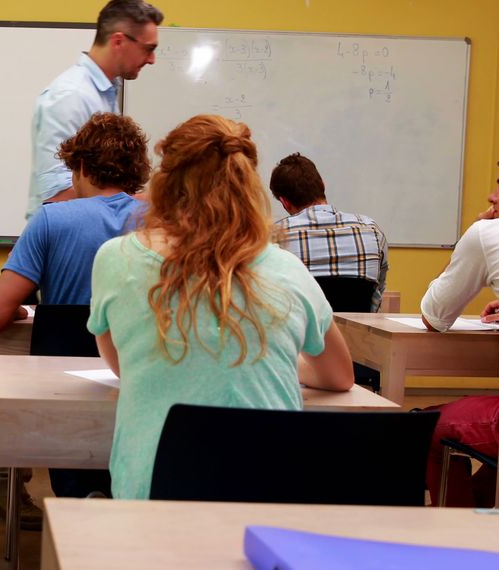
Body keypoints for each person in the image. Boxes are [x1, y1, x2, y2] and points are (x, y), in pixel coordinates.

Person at [88, 114, 354, 500]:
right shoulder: (287, 268)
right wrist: (266, 354)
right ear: (248, 187)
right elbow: (339, 376)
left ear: (164, 184)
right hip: (268, 503)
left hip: (151, 501)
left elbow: (122, 365)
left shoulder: (116, 259)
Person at [0, 112, 148, 332]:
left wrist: (20, 309)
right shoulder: (160, 222)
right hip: (133, 363)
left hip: (59, 359)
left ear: (83, 167)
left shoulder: (51, 220)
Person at [419, 150, 499, 507]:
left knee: (425, 426)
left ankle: (457, 538)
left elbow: (433, 315)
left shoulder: (489, 232)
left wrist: (471, 235)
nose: (492, 196)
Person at [26, 0, 163, 219]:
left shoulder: (104, 93)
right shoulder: (71, 96)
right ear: (118, 41)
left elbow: (103, 184)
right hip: (65, 243)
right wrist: (144, 201)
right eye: (148, 49)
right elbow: (57, 194)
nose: (152, 59)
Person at [270, 152, 390, 312]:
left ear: (284, 202)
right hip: (357, 336)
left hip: (302, 335)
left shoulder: (274, 238)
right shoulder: (372, 231)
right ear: (323, 185)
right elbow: (377, 296)